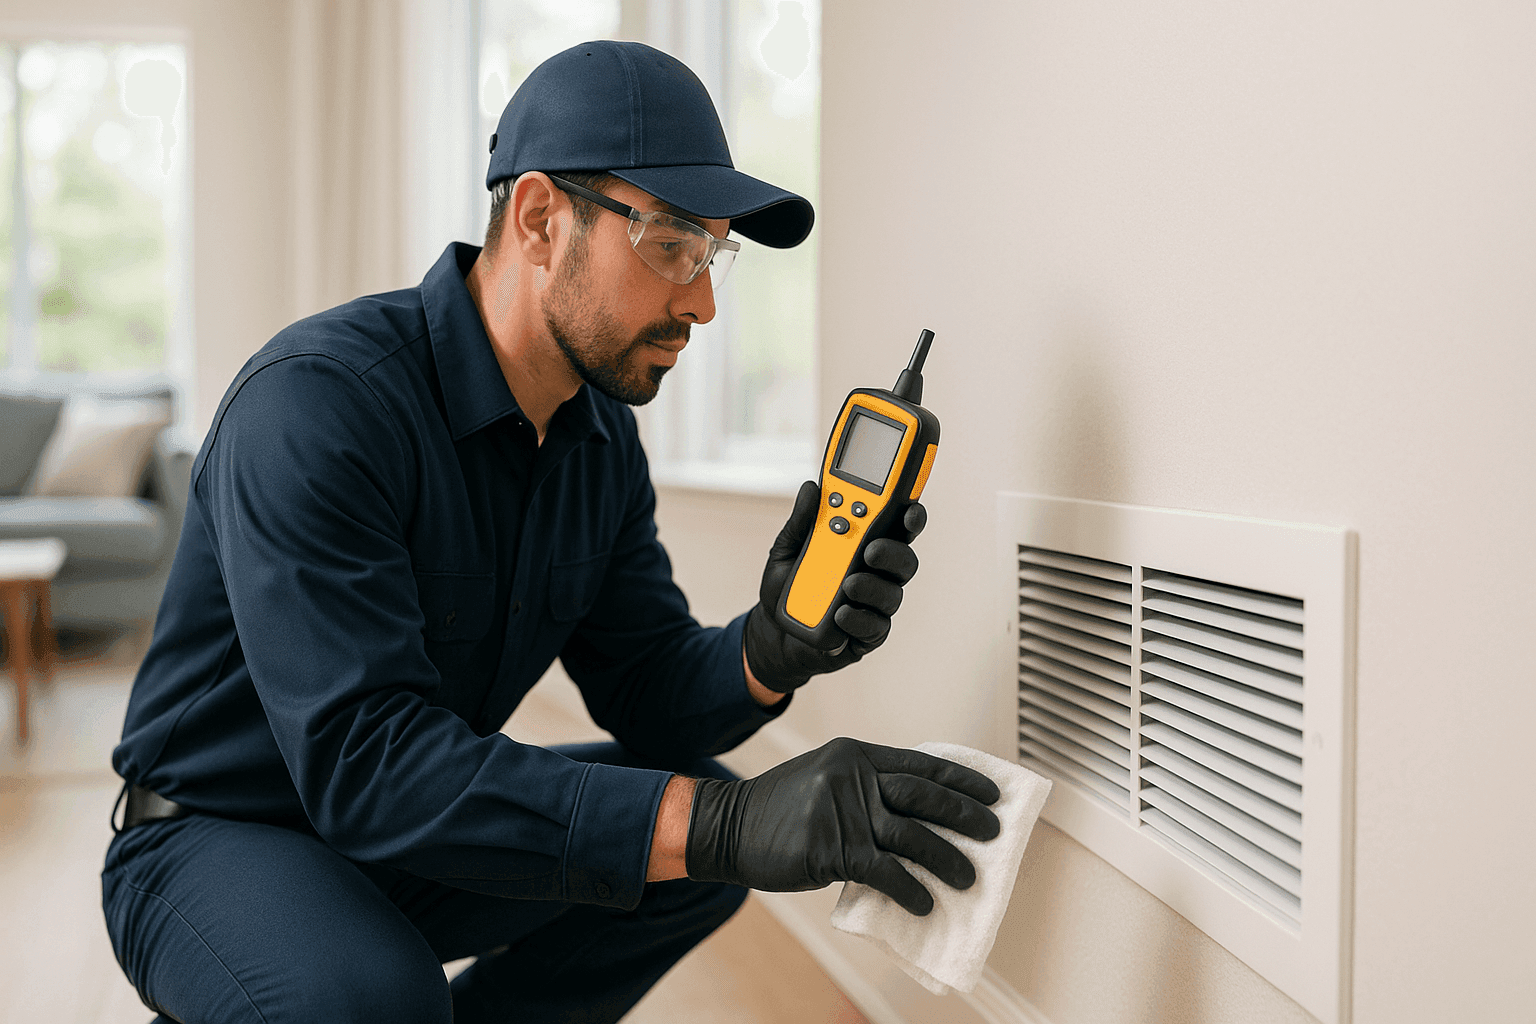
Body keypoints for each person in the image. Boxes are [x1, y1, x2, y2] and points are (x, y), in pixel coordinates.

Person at [101, 40, 1000, 1024]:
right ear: (537, 217)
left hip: (397, 836)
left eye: (713, 256)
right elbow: (370, 764)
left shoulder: (599, 439)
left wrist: (772, 646)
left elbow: (645, 688)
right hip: (212, 838)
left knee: (688, 853)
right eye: (670, 245)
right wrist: (728, 822)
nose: (700, 300)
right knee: (370, 999)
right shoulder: (319, 405)